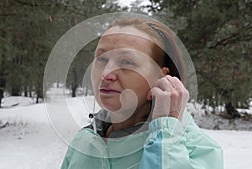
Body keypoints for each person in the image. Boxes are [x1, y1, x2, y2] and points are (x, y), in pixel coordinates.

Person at [60, 18, 223, 169]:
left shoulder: (198, 149)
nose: (106, 74)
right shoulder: (85, 141)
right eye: (101, 59)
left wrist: (165, 137)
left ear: (161, 77)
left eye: (127, 62)